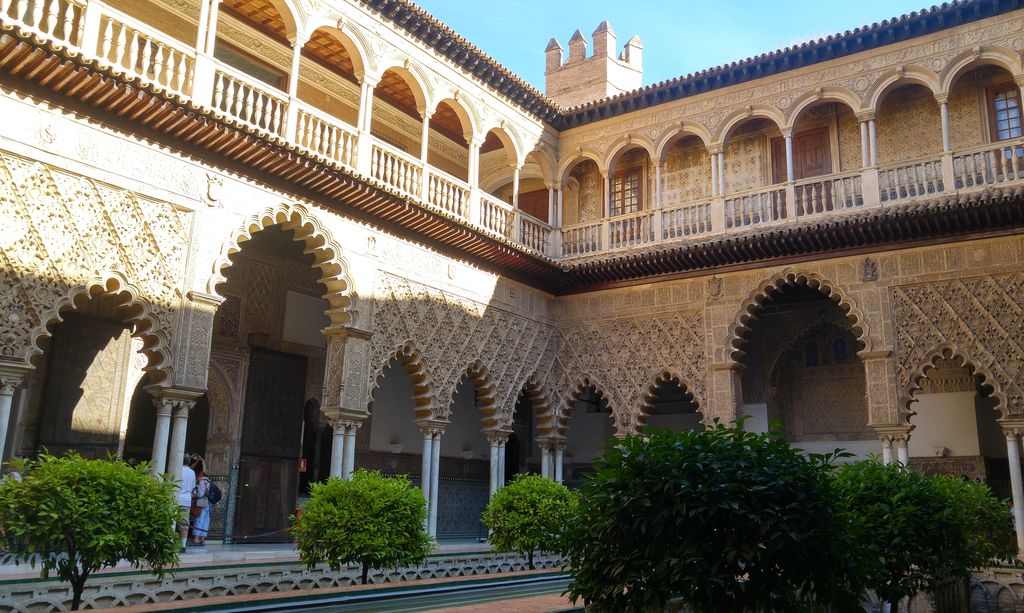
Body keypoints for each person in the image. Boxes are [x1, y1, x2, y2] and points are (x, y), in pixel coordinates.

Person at [190, 454, 212, 547]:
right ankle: (202, 539)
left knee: (199, 519)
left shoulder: (202, 481)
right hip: (210, 502)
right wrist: (201, 461)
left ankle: (195, 539)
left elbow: (200, 494)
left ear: (199, 475)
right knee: (206, 520)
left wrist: (193, 496)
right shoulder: (208, 480)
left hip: (203, 501)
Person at [176, 453, 196, 553]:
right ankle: (183, 545)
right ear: (188, 462)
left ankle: (169, 542)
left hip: (175, 499)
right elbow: (193, 488)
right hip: (186, 501)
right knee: (184, 524)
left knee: (171, 521)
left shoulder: (176, 470)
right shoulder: (192, 473)